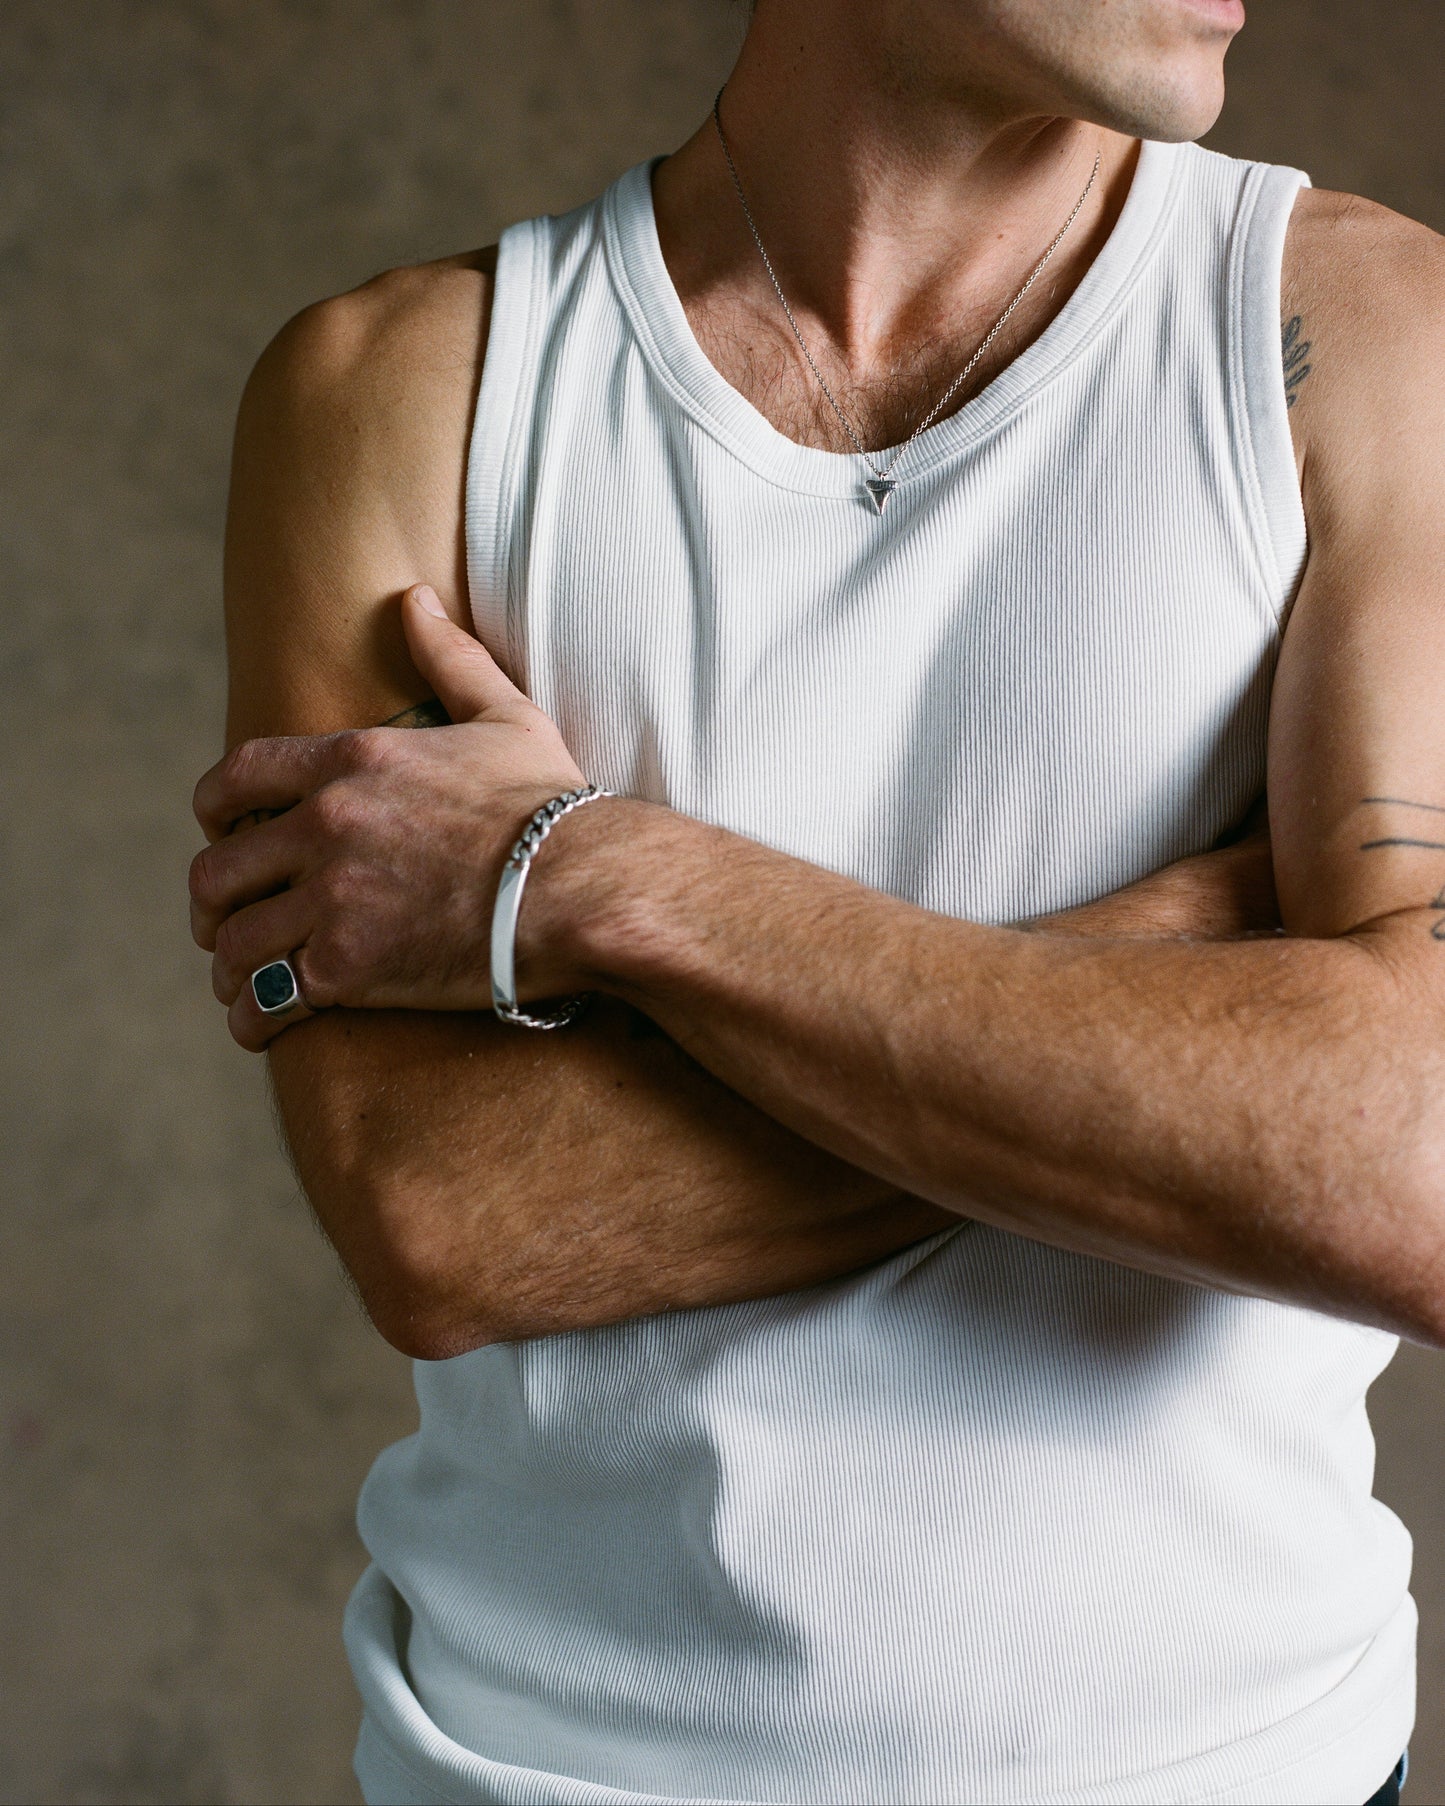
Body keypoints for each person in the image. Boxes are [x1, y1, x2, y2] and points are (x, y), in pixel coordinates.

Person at [188, 0, 1443, 1799]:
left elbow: (1416, 1167)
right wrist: (1198, 964)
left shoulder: (1366, 334)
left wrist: (593, 872)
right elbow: (447, 1223)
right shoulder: (399, 394)